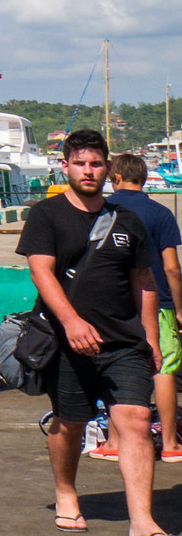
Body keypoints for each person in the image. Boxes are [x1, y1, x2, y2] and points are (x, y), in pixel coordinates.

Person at [18, 130, 179, 536]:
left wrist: (151, 339)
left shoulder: (128, 221)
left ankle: (142, 520)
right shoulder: (46, 215)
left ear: (108, 168)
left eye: (95, 164)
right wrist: (71, 321)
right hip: (67, 341)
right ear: (65, 166)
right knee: (71, 423)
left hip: (123, 341)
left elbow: (144, 281)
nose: (88, 171)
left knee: (137, 422)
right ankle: (66, 492)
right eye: (80, 163)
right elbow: (41, 272)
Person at [107, 153, 182, 462]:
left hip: (114, 303)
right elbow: (171, 268)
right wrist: (179, 308)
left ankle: (113, 442)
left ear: (116, 177)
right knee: (163, 368)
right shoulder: (160, 213)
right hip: (159, 300)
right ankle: (170, 443)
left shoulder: (106, 210)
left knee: (114, 367)